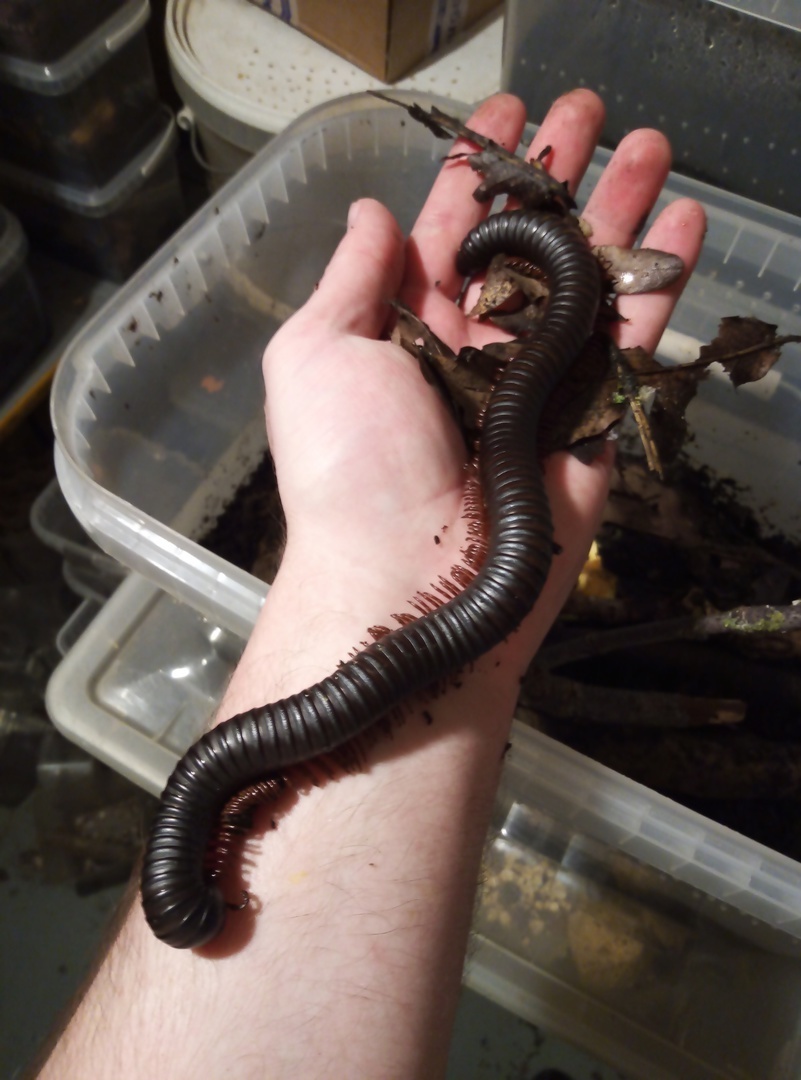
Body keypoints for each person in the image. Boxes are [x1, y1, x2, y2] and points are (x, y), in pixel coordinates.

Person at [35, 89, 705, 1079]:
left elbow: (264, 764)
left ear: (207, 869)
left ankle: (546, 274)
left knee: (280, 739)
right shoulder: (223, 835)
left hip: (494, 558)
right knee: (301, 723)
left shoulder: (222, 831)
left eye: (203, 893)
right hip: (496, 564)